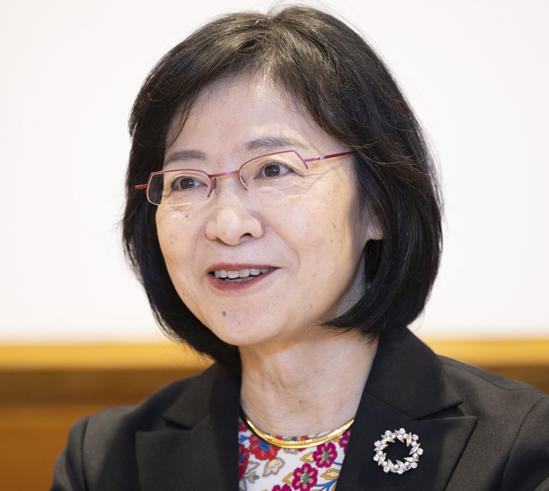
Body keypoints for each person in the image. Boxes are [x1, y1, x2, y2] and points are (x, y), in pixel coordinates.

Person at [52, 6, 549, 490]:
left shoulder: (518, 450)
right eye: (186, 181)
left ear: (377, 204)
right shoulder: (103, 463)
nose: (227, 225)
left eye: (273, 170)